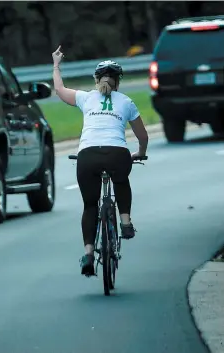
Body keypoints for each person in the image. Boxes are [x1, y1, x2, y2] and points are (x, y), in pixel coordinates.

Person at [51, 46, 149, 277]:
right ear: (118, 82)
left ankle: (87, 254)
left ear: (96, 80)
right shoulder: (126, 102)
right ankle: (125, 222)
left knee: (89, 205)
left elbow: (59, 89)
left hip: (88, 155)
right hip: (118, 154)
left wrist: (56, 64)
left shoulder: (85, 98)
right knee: (121, 181)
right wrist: (140, 152)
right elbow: (142, 136)